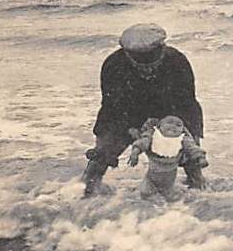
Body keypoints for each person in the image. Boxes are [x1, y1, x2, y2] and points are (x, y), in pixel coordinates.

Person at [82, 23, 205, 196]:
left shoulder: (177, 61)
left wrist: (178, 133)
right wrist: (130, 129)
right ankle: (85, 196)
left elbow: (186, 103)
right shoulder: (113, 65)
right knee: (100, 157)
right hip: (125, 113)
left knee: (191, 159)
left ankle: (198, 194)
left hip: (170, 112)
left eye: (151, 61)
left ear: (162, 49)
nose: (147, 69)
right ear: (126, 54)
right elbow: (111, 107)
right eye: (139, 63)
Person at [127, 116, 208, 201]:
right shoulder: (153, 135)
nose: (173, 126)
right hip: (151, 180)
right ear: (159, 126)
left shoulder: (183, 139)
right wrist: (135, 153)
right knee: (145, 193)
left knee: (172, 199)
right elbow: (142, 143)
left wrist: (201, 158)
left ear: (182, 130)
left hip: (169, 182)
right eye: (169, 122)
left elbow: (193, 149)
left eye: (178, 125)